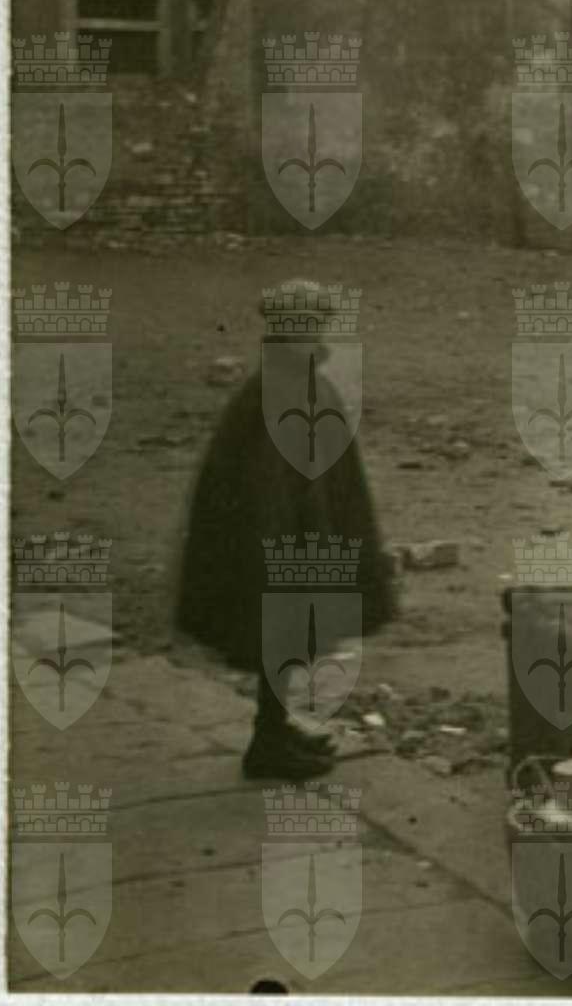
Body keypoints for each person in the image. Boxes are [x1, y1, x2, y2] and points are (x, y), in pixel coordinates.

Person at [175, 282, 397, 781]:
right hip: (274, 538)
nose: (311, 334)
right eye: (301, 326)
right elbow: (269, 485)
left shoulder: (301, 382)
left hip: (298, 532)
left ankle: (274, 728)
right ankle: (267, 743)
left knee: (290, 634)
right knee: (279, 630)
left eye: (315, 325)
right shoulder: (276, 391)